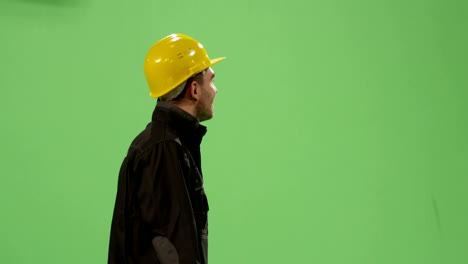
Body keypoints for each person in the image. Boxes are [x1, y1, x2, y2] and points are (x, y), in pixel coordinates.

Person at [108, 33, 225, 264]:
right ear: (194, 89)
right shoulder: (163, 150)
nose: (215, 90)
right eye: (211, 80)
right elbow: (174, 247)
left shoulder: (167, 144)